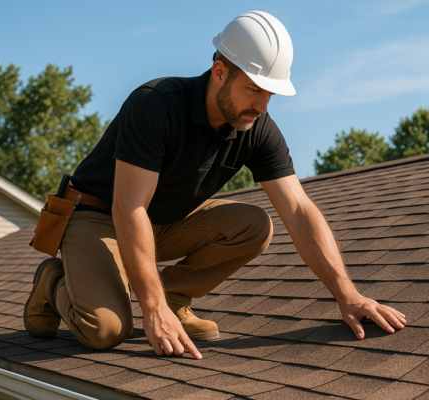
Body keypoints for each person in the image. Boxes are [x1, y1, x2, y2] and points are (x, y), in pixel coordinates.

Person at [24, 11, 406, 360]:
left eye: (270, 94)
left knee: (254, 224)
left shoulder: (256, 129)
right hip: (98, 214)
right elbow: (129, 207)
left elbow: (299, 210)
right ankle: (53, 280)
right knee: (107, 331)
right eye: (254, 90)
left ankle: (173, 298)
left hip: (159, 221)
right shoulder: (155, 105)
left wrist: (347, 294)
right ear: (220, 71)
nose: (263, 106)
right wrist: (149, 309)